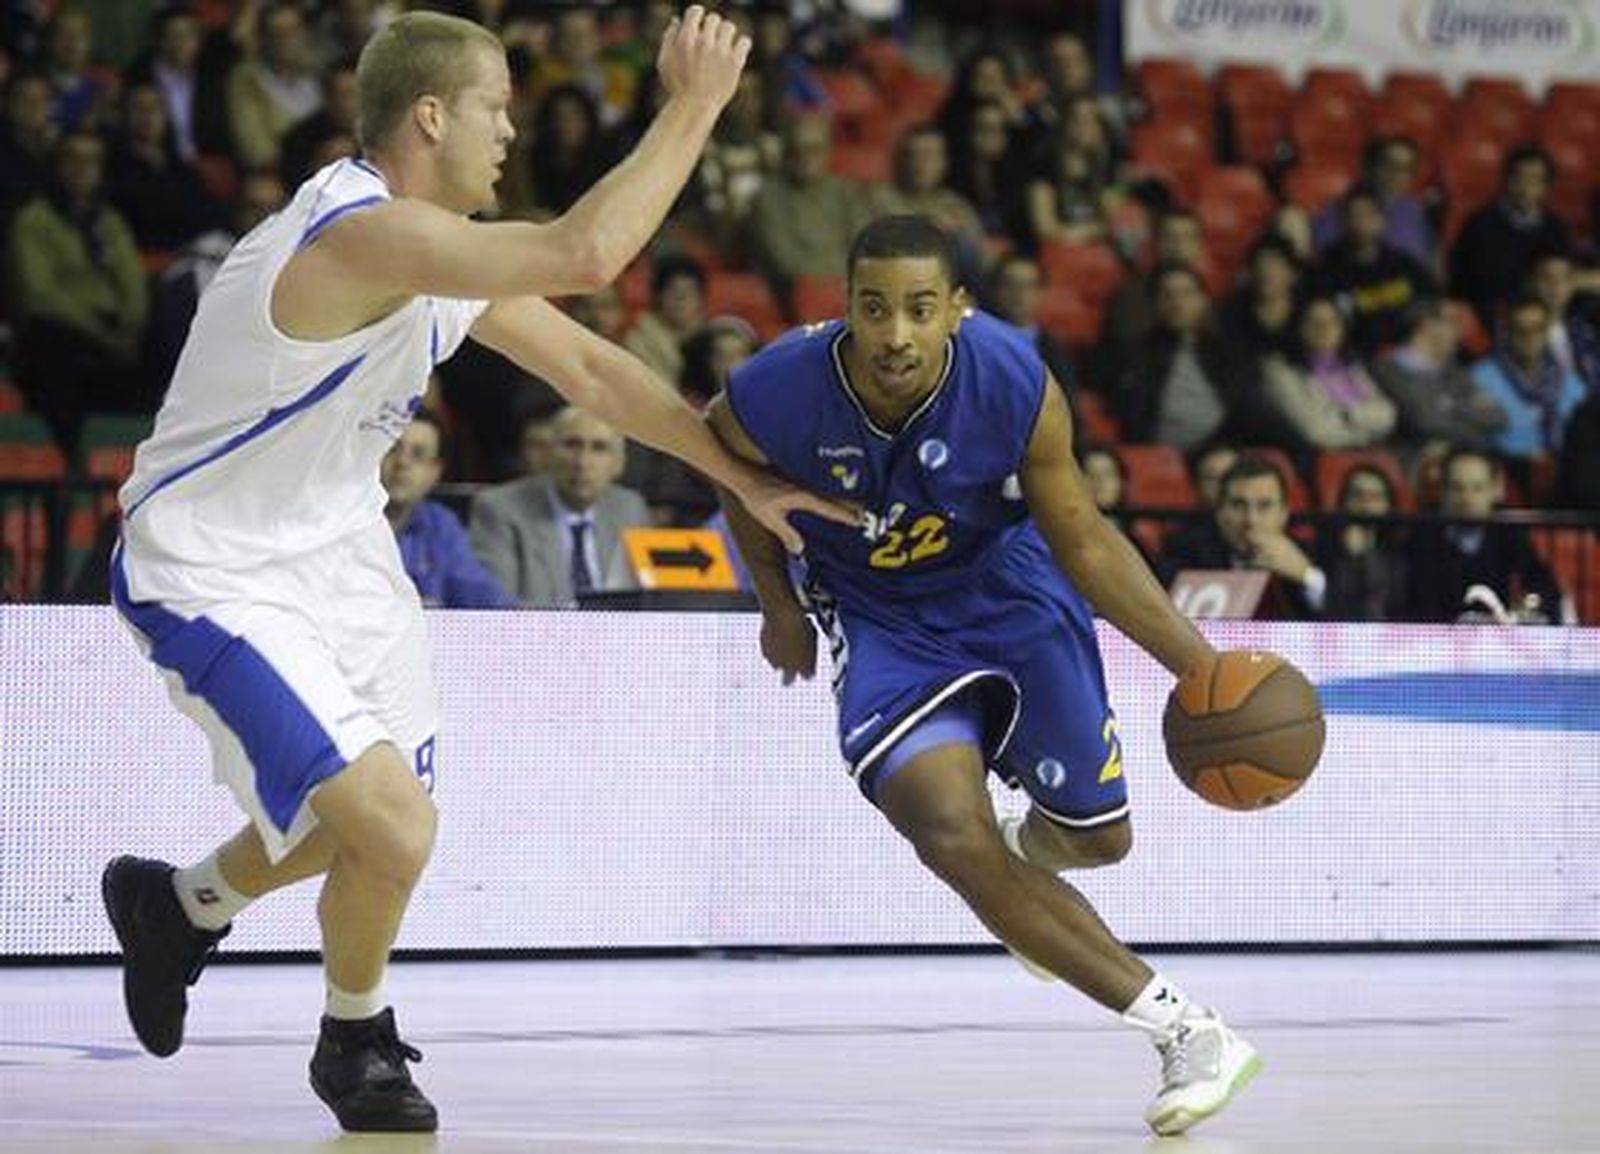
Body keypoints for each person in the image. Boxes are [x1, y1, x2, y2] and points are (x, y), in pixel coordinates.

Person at [100, 8, 850, 1135]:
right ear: (431, 114)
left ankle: (179, 903)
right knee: (392, 826)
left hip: (341, 554)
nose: (509, 129)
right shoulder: (358, 236)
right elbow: (588, 254)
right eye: (497, 106)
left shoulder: (440, 250)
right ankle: (353, 1039)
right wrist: (694, 103)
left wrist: (735, 477)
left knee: (352, 830)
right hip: (214, 562)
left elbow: (593, 366)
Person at [708, 215, 1259, 1138]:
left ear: (957, 310)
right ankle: (1187, 1031)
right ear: (843, 306)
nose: (895, 334)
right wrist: (777, 601)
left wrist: (1199, 669)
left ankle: (1023, 862)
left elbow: (1082, 535)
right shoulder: (776, 387)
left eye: (919, 309)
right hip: (882, 621)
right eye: (874, 309)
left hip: (1008, 594)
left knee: (1099, 841)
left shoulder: (1011, 379)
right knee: (946, 830)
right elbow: (722, 461)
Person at [469, 406, 652, 605]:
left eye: (599, 447)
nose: (582, 462)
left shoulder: (630, 508)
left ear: (619, 464)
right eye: (572, 445)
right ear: (549, 454)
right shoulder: (500, 508)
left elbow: (647, 601)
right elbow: (495, 608)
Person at [1403, 448, 1563, 622]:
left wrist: (1526, 606)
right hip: (1435, 641)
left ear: (1495, 490)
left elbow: (1544, 588)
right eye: (1457, 488)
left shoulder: (1509, 533)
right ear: (1442, 491)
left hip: (1496, 641)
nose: (1467, 498)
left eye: (1477, 488)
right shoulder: (1422, 537)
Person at [1157, 455, 1323, 619]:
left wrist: (1308, 577)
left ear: (1284, 513)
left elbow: (1335, 618)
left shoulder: (1309, 554)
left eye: (1264, 506)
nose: (1251, 520)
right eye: (1238, 505)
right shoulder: (1185, 553)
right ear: (1220, 511)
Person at [381, 411, 518, 609]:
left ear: (435, 471)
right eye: (392, 449)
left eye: (418, 454)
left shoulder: (441, 526)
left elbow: (490, 603)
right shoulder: (342, 520)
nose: (402, 463)